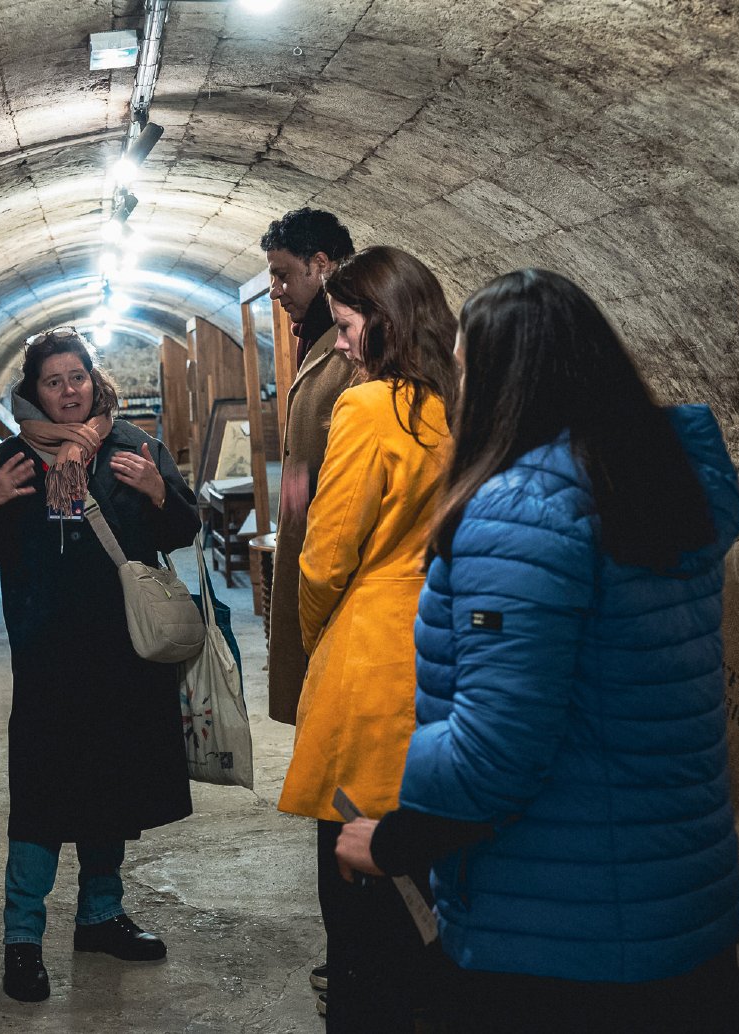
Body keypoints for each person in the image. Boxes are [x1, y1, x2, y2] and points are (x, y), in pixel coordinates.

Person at [335, 269, 739, 1033]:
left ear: (499, 379)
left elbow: (497, 749)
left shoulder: (524, 513)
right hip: (683, 905)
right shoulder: (660, 489)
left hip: (559, 937)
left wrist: (397, 841)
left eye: (464, 365)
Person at [0, 328, 200, 1004]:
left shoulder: (136, 449)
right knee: (40, 802)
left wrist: (156, 492)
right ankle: (23, 940)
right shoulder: (9, 462)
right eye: (54, 381)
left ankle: (100, 915)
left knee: (109, 791)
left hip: (123, 660)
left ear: (96, 381)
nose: (68, 391)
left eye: (78, 377)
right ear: (33, 391)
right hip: (48, 663)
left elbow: (183, 529)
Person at [275, 246, 459, 1031]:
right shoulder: (464, 403)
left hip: (371, 661)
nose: (341, 343)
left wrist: (322, 638)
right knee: (429, 892)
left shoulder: (367, 406)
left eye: (348, 328)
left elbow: (323, 559)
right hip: (444, 655)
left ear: (384, 325)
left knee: (356, 893)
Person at [261, 208, 357, 737]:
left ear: (320, 265)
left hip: (337, 571)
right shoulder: (312, 336)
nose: (275, 289)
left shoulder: (352, 347)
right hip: (314, 553)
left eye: (282, 274)